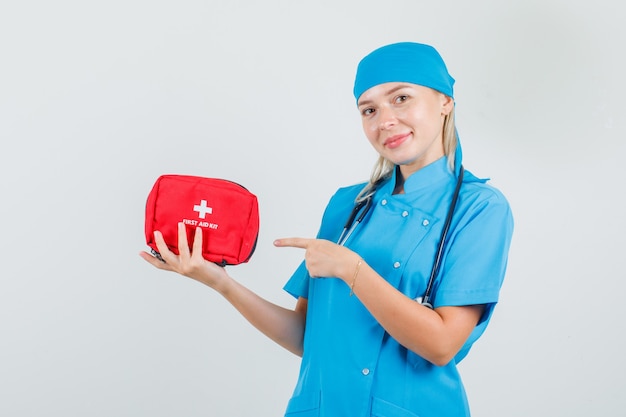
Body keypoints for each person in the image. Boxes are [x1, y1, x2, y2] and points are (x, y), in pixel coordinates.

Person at [140, 41, 514, 417]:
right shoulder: (348, 205)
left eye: (401, 98)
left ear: (445, 101)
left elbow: (442, 344)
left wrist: (352, 271)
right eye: (369, 109)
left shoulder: (479, 208)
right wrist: (219, 281)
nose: (384, 121)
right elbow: (305, 335)